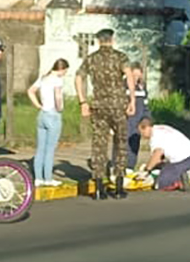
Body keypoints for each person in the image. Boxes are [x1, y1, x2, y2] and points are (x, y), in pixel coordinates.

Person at [75, 28, 136, 200]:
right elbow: (129, 76)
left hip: (99, 106)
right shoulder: (120, 57)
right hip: (118, 106)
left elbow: (78, 77)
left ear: (98, 41)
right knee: (120, 143)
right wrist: (132, 99)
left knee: (98, 145)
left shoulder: (91, 59)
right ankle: (118, 187)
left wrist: (83, 101)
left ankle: (98, 187)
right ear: (112, 40)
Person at [27, 59, 69, 188]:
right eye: (65, 71)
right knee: (50, 149)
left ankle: (38, 178)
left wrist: (38, 105)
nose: (65, 73)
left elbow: (30, 91)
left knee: (40, 148)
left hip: (42, 114)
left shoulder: (43, 78)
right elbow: (58, 96)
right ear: (62, 69)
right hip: (53, 114)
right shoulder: (58, 80)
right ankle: (48, 178)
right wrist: (60, 108)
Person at [137, 118, 190, 191]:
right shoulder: (161, 128)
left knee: (160, 184)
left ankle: (178, 181)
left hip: (183, 160)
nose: (142, 135)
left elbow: (157, 155)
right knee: (162, 167)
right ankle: (185, 173)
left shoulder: (155, 136)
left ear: (147, 127)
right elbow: (160, 159)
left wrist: (146, 170)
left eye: (142, 132)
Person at [112, 61, 150, 171]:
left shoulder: (142, 88)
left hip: (137, 123)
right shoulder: (121, 87)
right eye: (134, 75)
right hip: (124, 121)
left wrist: (146, 119)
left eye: (138, 75)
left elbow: (146, 107)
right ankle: (116, 168)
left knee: (134, 145)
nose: (136, 78)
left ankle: (130, 167)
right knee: (120, 145)